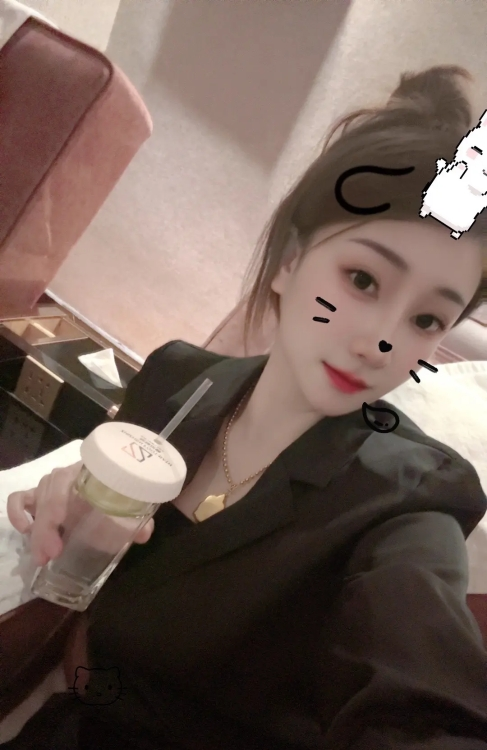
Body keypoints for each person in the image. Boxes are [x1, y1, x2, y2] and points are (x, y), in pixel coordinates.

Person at [5, 65, 487, 750]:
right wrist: (65, 503)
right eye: (362, 279)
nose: (381, 342)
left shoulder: (406, 501)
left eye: (427, 320)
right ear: (290, 262)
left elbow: (420, 703)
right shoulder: (178, 382)